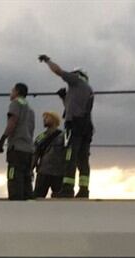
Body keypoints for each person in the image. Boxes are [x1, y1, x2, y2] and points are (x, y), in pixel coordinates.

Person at [38, 54, 94, 198]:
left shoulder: (76, 81)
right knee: (83, 159)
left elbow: (59, 72)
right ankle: (84, 190)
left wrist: (47, 60)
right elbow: (74, 108)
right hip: (86, 126)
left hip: (74, 126)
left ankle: (67, 189)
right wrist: (64, 98)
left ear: (77, 75)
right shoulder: (88, 90)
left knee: (70, 157)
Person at [0, 83, 35, 200]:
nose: (11, 93)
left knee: (14, 176)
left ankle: (15, 201)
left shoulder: (15, 103)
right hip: (28, 149)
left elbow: (13, 121)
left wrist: (3, 138)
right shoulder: (30, 109)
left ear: (17, 92)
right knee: (26, 177)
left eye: (12, 90)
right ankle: (27, 200)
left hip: (16, 148)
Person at [32, 112, 65, 199]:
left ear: (54, 120)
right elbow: (35, 154)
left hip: (59, 173)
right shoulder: (40, 137)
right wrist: (30, 169)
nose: (44, 119)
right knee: (37, 198)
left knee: (59, 200)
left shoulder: (63, 136)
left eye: (47, 117)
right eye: (44, 117)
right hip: (43, 172)